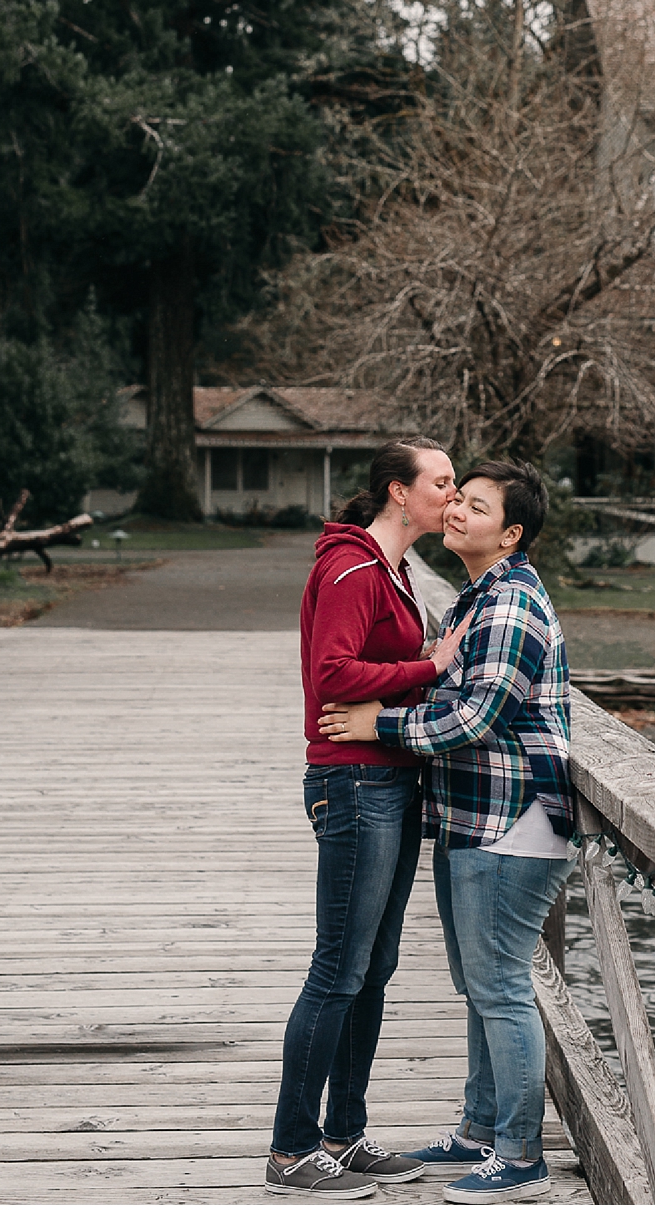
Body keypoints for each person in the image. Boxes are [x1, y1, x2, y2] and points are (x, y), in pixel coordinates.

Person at [320, 460, 571, 1205]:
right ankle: (480, 1128)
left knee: (498, 986)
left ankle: (520, 1157)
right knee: (477, 983)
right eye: (455, 499)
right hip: (472, 814)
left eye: (476, 505)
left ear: (511, 533)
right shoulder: (477, 595)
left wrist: (378, 723)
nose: (456, 511)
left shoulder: (512, 606)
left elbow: (476, 717)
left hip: (513, 821)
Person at [268, 438, 474, 1200]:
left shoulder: (388, 568)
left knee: (374, 971)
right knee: (338, 969)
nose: (453, 497)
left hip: (389, 779)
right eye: (442, 484)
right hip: (354, 784)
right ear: (399, 491)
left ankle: (343, 1135)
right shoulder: (352, 567)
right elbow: (333, 673)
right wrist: (432, 665)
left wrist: (421, 660)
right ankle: (291, 1150)